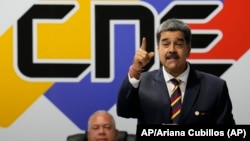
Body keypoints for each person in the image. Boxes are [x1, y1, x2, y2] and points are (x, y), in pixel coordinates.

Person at [116, 18, 235, 125]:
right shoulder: (142, 83)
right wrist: (135, 70)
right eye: (166, 44)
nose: (172, 50)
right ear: (158, 49)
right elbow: (124, 111)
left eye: (178, 44)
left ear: (188, 48)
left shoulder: (215, 87)